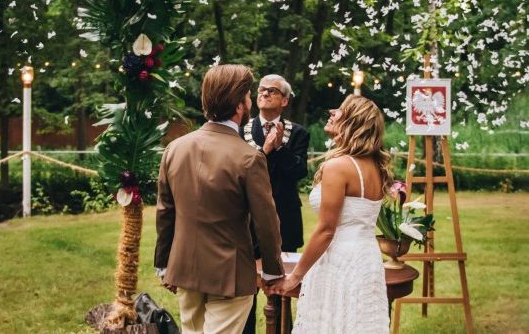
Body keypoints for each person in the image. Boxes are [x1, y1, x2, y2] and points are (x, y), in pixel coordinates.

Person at [155, 64, 285, 334]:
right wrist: (272, 271)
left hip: (185, 268)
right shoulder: (249, 158)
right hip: (230, 274)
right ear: (239, 105)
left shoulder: (174, 149)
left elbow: (165, 212)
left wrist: (163, 263)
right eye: (248, 96)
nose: (250, 102)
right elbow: (266, 222)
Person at [268, 95, 392, 333]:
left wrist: (295, 277)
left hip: (340, 262)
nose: (332, 111)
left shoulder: (339, 166)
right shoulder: (375, 165)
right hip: (366, 259)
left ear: (353, 121)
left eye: (340, 109)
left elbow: (326, 230)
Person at [240, 74, 309, 334]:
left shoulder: (298, 133)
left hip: (284, 220)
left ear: (285, 100)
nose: (265, 93)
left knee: (281, 290)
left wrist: (280, 149)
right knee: (245, 291)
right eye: (261, 89)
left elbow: (299, 172)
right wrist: (265, 150)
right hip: (246, 220)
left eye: (273, 90)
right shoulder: (241, 130)